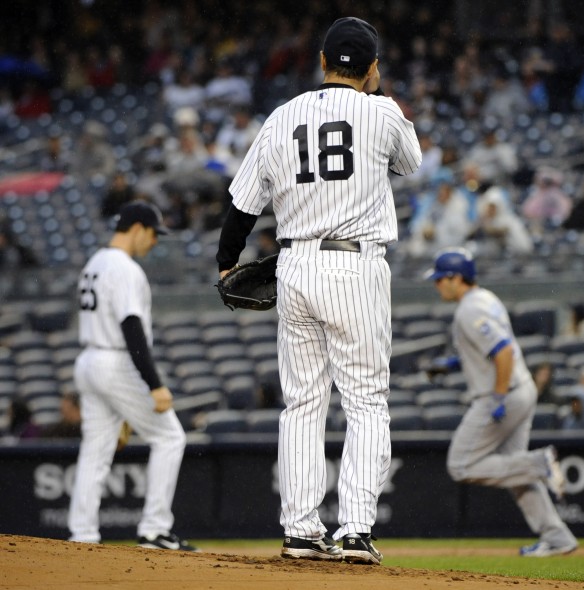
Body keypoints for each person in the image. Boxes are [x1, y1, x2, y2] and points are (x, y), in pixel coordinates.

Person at [216, 16, 422, 564]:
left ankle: (301, 529)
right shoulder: (382, 112)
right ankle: (355, 530)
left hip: (295, 265)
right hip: (354, 264)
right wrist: (377, 94)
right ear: (373, 67)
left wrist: (225, 262)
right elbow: (411, 163)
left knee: (302, 403)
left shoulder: (284, 115)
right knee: (365, 400)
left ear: (323, 62)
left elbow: (241, 203)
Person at [423, 247, 578, 557]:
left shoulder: (469, 310)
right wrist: (455, 363)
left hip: (503, 394)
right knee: (514, 472)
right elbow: (490, 348)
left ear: (456, 278)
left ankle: (539, 463)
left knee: (460, 464)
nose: (437, 285)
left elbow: (503, 351)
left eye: (441, 279)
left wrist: (498, 396)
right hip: (521, 388)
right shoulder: (486, 298)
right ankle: (557, 537)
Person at [68, 200, 197, 552]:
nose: (155, 241)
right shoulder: (124, 268)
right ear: (138, 227)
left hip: (89, 362)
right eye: (154, 233)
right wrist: (154, 384)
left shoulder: (95, 262)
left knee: (96, 449)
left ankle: (82, 535)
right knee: (170, 437)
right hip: (115, 361)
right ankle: (155, 530)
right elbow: (130, 326)